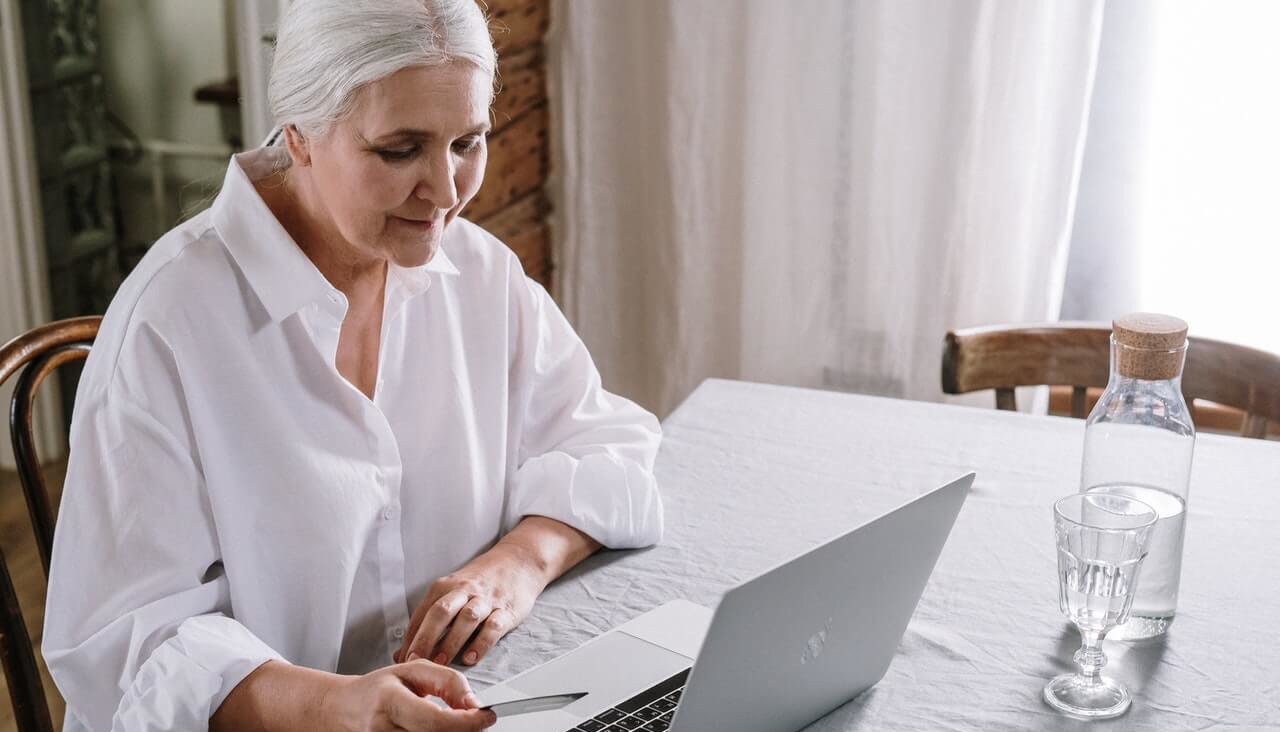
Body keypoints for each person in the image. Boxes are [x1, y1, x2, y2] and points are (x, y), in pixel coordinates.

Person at [41, 1, 664, 730]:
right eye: (400, 150)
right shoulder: (167, 326)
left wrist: (517, 563)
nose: (446, 191)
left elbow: (611, 447)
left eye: (468, 141)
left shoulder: (481, 275)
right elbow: (128, 653)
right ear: (300, 135)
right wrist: (338, 707)